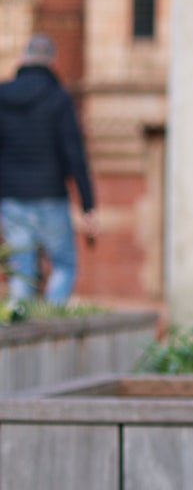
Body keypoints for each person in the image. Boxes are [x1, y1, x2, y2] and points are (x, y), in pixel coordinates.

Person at [0, 33, 98, 305]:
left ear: (23, 59)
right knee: (64, 265)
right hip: (50, 195)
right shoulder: (58, 98)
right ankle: (51, 314)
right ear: (51, 62)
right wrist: (88, 206)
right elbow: (74, 155)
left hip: (11, 196)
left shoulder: (2, 96)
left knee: (22, 270)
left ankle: (19, 323)